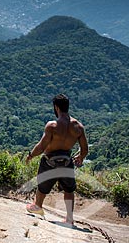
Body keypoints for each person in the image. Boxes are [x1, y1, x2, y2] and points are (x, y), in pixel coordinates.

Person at [25, 94, 88, 226]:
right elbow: (84, 149)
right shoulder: (78, 127)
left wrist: (30, 155)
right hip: (66, 162)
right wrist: (80, 157)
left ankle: (37, 206)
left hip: (49, 161)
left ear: (56, 107)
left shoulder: (52, 126)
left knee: (42, 186)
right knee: (69, 190)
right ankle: (69, 218)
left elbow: (41, 146)